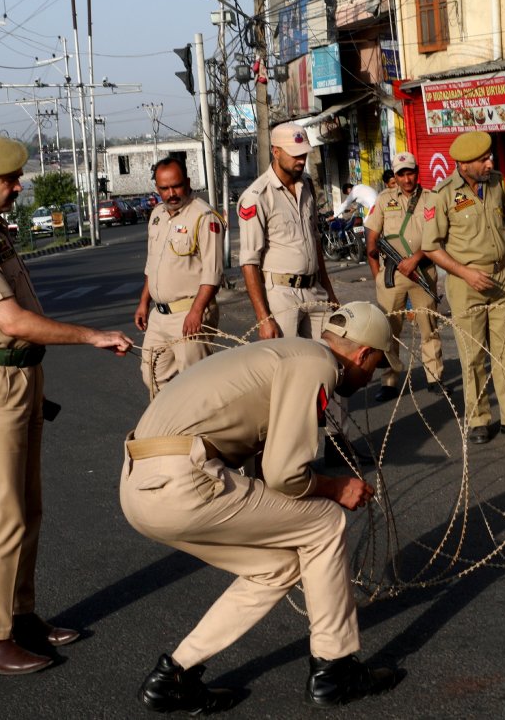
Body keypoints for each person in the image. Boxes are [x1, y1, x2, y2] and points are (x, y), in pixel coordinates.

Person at [121, 301, 403, 712]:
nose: (370, 377)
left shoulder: (283, 355)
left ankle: (174, 675)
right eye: (376, 366)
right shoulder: (316, 364)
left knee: (277, 567)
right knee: (323, 522)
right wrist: (335, 487)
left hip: (141, 489)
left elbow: (261, 465)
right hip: (184, 482)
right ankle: (335, 670)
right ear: (363, 354)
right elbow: (284, 476)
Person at [0, 134, 133, 675]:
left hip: (19, 380)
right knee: (3, 513)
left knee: (28, 510)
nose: (18, 187)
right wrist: (90, 335)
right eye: (8, 180)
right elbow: (8, 320)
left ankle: (20, 616)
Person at [423, 131, 505, 444]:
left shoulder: (497, 183)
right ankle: (478, 419)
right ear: (463, 164)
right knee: (472, 354)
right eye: (483, 159)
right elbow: (431, 246)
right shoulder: (443, 194)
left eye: (490, 157)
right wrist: (465, 273)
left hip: (500, 277)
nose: (491, 163)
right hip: (465, 283)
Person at [237, 122, 339, 340]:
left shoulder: (307, 185)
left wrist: (329, 292)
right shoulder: (256, 196)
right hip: (281, 296)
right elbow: (249, 262)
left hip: (314, 289)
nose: (301, 160)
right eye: (295, 155)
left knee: (330, 357)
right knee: (288, 364)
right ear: (276, 151)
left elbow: (315, 241)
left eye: (304, 154)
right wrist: (264, 318)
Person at [134, 157, 225, 396]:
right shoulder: (157, 215)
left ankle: (201, 432)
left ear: (187, 182)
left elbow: (213, 273)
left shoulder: (204, 217)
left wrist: (196, 312)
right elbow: (152, 264)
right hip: (159, 315)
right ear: (157, 189)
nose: (171, 193)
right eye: (164, 188)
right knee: (152, 376)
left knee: (195, 383)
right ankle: (170, 430)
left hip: (189, 313)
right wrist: (144, 302)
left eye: (176, 186)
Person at [365, 151, 444, 401]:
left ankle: (435, 378)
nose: (407, 178)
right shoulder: (384, 198)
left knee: (428, 327)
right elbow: (372, 240)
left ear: (417, 172)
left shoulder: (431, 198)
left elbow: (438, 236)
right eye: (401, 174)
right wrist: (379, 276)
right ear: (395, 177)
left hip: (422, 271)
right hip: (392, 275)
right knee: (389, 330)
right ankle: (389, 381)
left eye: (410, 172)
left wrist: (417, 258)